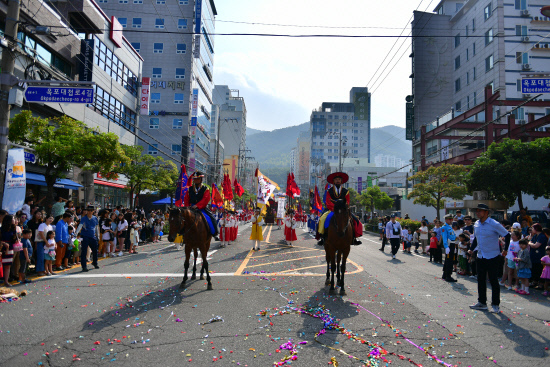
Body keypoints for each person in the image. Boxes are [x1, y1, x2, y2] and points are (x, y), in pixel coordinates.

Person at [468, 204, 510, 313]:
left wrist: (505, 249)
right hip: (480, 255)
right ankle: (482, 302)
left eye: (480, 211)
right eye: (476, 211)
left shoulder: (494, 224)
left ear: (486, 212)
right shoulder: (476, 224)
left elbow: (507, 235)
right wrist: (471, 249)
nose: (477, 213)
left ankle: (495, 304)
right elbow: (477, 239)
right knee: (480, 279)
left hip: (493, 256)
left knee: (493, 280)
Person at [317, 172, 362, 246]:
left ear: (341, 181)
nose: (337, 181)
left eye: (339, 179)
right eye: (336, 179)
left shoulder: (346, 191)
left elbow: (347, 201)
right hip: (332, 209)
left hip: (344, 210)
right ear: (333, 181)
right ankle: (322, 237)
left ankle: (354, 238)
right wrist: (335, 208)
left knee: (356, 221)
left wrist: (343, 208)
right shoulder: (329, 191)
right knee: (322, 219)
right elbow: (328, 201)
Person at [184, 171, 220, 240]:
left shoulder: (205, 189)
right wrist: (187, 206)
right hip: (191, 207)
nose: (196, 180)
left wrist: (197, 205)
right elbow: (186, 199)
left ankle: (215, 233)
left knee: (211, 218)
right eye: (194, 179)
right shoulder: (190, 189)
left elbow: (205, 199)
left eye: (197, 179)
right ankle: (182, 235)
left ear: (201, 179)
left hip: (202, 208)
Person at [79, 205, 100, 272]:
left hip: (93, 236)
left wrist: (98, 235)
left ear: (93, 211)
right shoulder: (84, 218)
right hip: (85, 236)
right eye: (88, 210)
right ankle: (84, 266)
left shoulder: (95, 218)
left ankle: (95, 262)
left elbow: (97, 227)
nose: (89, 212)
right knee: (84, 251)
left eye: (91, 210)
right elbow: (80, 226)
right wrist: (76, 234)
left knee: (95, 250)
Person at [528, 223, 547, 289]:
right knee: (534, 269)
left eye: (533, 228)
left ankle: (541, 284)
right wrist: (530, 243)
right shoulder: (535, 236)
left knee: (539, 270)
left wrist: (530, 243)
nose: (532, 230)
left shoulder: (542, 236)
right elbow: (530, 242)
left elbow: (536, 245)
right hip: (534, 256)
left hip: (540, 256)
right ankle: (534, 281)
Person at [441, 214, 458, 282]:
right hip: (449, 245)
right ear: (446, 220)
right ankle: (448, 276)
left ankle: (445, 275)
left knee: (448, 260)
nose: (451, 220)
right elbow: (444, 238)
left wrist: (454, 246)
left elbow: (453, 236)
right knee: (449, 261)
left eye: (451, 219)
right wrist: (446, 247)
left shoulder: (449, 227)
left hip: (452, 244)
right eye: (449, 219)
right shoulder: (444, 227)